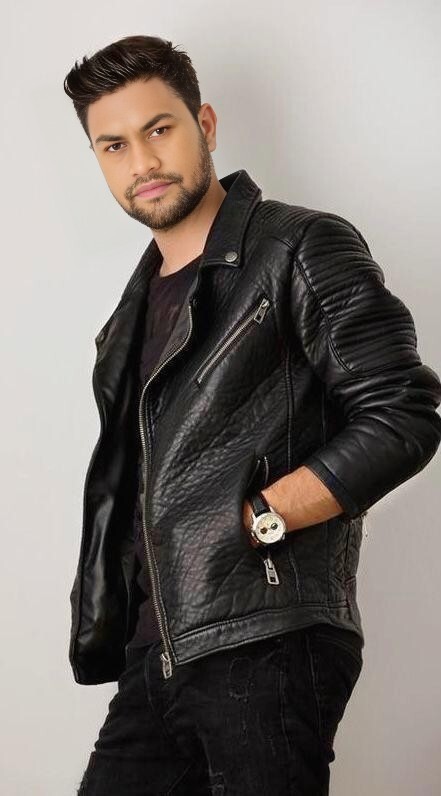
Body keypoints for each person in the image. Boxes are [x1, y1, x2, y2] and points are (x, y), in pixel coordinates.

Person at [63, 35, 441, 795]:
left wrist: (262, 517)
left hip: (264, 640)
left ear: (203, 124)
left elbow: (402, 411)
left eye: (159, 128)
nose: (142, 161)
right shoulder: (128, 318)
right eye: (114, 145)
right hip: (156, 653)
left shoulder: (297, 245)